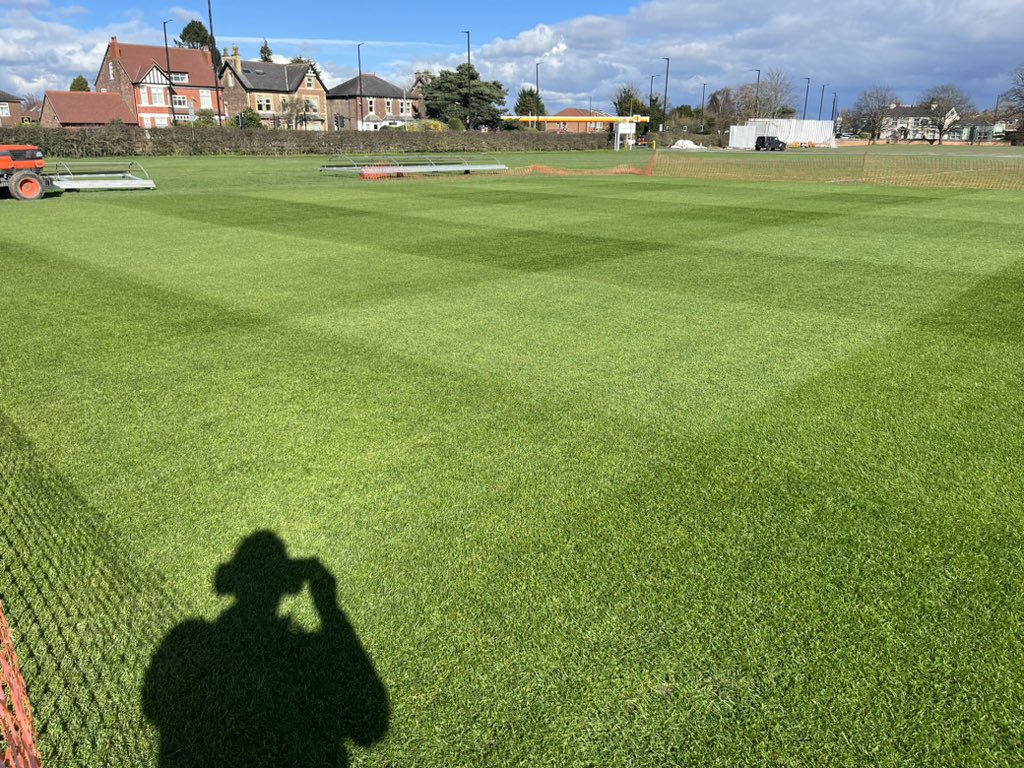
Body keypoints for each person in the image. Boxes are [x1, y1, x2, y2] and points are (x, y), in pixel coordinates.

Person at [143, 531, 389, 767]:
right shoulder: (299, 651)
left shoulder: (189, 634)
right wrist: (328, 607)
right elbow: (370, 728)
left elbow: (152, 707)